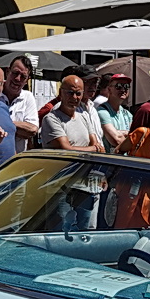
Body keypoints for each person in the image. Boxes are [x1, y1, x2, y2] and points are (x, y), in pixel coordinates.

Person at [41, 76, 106, 230]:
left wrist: (87, 148)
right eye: (70, 93)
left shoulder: (84, 115)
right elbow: (66, 150)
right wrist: (91, 149)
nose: (74, 98)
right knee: (59, 234)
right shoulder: (51, 119)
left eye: (78, 94)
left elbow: (98, 146)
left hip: (85, 186)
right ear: (61, 93)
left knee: (83, 234)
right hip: (60, 187)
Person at [3, 55, 41, 155]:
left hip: (15, 162)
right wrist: (20, 129)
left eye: (23, 76)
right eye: (15, 73)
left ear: (27, 79)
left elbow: (32, 130)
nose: (17, 79)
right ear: (7, 72)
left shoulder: (28, 97)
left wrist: (3, 123)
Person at [97, 73, 133, 152]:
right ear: (109, 89)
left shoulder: (127, 114)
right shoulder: (102, 111)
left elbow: (135, 137)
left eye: (126, 86)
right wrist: (127, 134)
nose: (123, 90)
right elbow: (116, 140)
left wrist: (119, 132)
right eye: (119, 86)